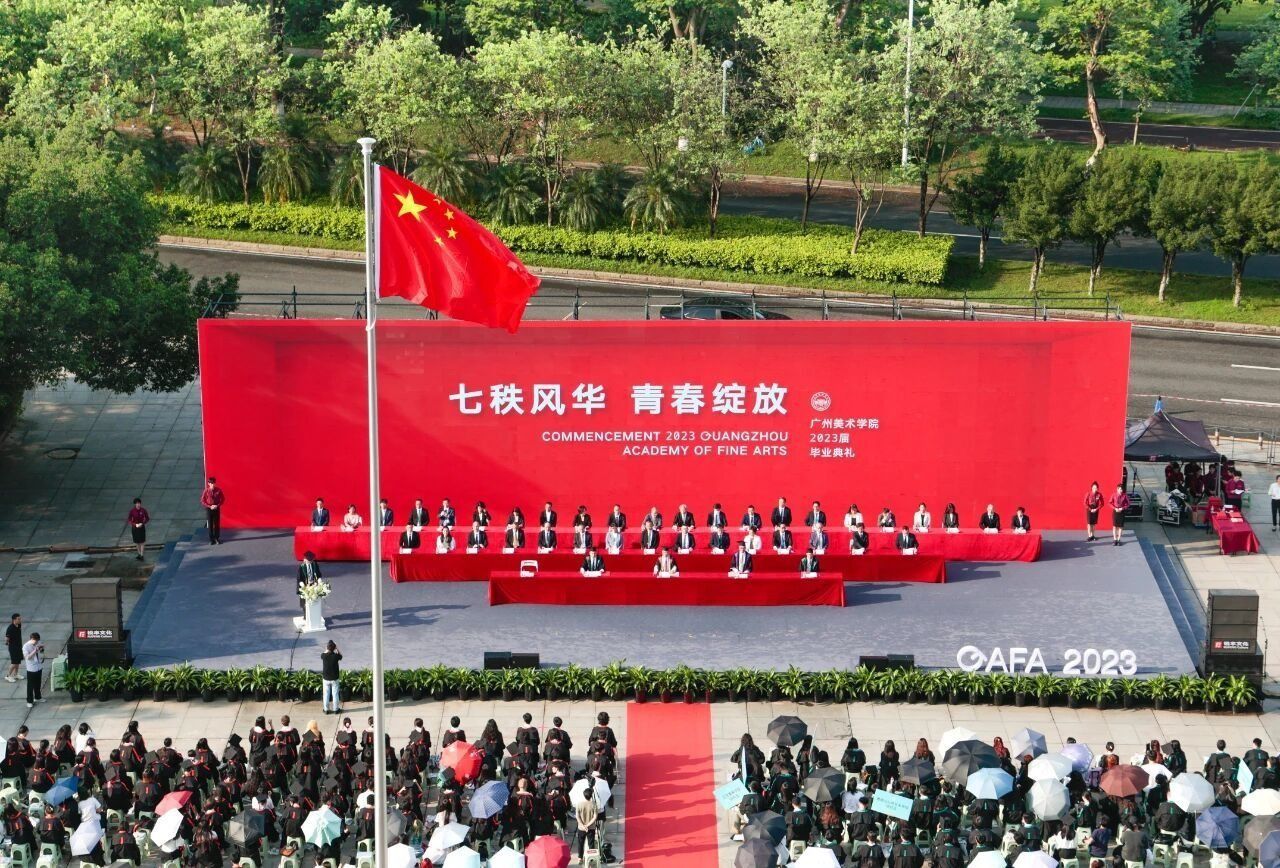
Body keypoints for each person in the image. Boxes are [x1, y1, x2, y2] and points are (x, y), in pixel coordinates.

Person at [201, 477, 224, 545]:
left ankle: (216, 538)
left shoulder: (218, 490)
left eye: (213, 483)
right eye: (211, 483)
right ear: (208, 483)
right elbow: (202, 500)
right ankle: (211, 539)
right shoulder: (206, 491)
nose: (212, 484)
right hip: (209, 509)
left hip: (216, 508)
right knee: (210, 524)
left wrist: (217, 505)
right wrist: (209, 506)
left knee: (216, 524)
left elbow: (223, 499)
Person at [320, 641, 342, 715]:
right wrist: (337, 648)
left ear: (327, 648)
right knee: (335, 694)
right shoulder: (336, 656)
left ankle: (326, 709)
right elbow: (341, 656)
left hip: (326, 678)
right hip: (334, 678)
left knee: (326, 694)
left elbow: (323, 653)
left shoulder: (324, 656)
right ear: (334, 648)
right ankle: (336, 709)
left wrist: (327, 649)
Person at [22, 631, 43, 708]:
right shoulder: (25, 646)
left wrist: (41, 649)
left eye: (38, 641)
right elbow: (27, 657)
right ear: (32, 639)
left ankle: (38, 697)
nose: (37, 642)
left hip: (38, 666)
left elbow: (41, 653)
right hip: (31, 668)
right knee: (30, 686)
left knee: (38, 683)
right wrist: (35, 650)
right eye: (36, 641)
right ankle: (29, 701)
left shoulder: (37, 643)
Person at [4, 614, 20, 683]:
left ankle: (15, 674)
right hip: (13, 647)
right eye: (18, 619)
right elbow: (6, 638)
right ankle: (8, 676)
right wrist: (7, 643)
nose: (20, 620)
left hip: (19, 646)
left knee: (18, 661)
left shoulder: (19, 625)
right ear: (14, 620)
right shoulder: (10, 628)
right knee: (14, 662)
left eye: (20, 619)